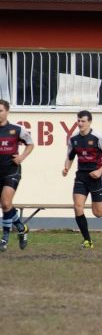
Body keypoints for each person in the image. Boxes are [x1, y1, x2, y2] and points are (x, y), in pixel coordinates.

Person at [63, 110, 102, 249]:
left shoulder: (97, 137)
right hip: (81, 177)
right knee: (78, 207)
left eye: (83, 121)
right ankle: (88, 240)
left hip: (96, 178)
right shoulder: (74, 139)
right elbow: (70, 157)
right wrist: (66, 168)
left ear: (89, 122)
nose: (80, 123)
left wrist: (100, 170)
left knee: (98, 213)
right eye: (78, 121)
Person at [0, 99, 33, 252]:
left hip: (12, 170)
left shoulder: (16, 129)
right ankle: (21, 227)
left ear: (7, 111)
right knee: (5, 205)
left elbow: (30, 143)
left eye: (0, 110)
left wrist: (22, 157)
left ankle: (4, 239)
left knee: (6, 203)